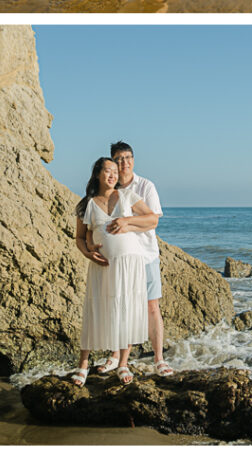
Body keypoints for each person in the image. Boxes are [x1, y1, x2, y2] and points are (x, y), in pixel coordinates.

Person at [70, 157, 159, 387]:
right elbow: (80, 238)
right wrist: (88, 253)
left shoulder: (128, 196)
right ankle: (83, 364)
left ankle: (123, 363)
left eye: (115, 172)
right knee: (96, 309)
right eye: (108, 171)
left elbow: (151, 219)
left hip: (131, 263)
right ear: (98, 174)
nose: (113, 175)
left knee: (127, 310)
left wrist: (126, 221)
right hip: (103, 265)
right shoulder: (87, 204)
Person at [95, 140, 173, 377]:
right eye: (119, 159)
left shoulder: (146, 186)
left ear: (133, 160)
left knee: (151, 307)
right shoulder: (108, 186)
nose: (124, 163)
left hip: (146, 256)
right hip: (118, 258)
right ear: (112, 163)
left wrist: (127, 223)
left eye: (128, 158)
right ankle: (115, 356)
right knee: (118, 307)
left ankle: (158, 359)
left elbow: (153, 220)